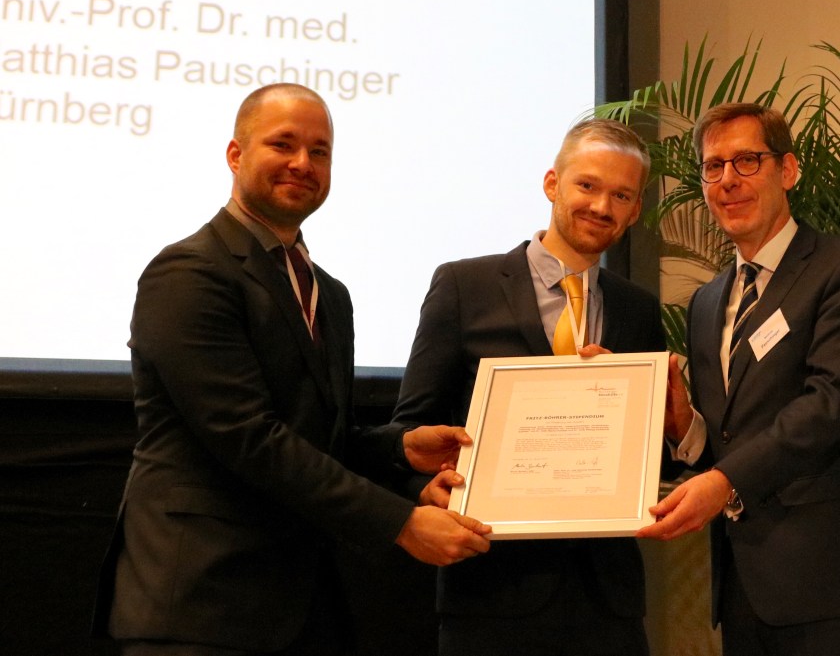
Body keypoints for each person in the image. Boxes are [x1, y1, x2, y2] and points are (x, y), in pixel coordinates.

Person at [93, 83, 491, 656]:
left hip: (299, 607)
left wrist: (402, 449)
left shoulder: (330, 294)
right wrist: (401, 522)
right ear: (236, 155)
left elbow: (317, 437)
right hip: (199, 605)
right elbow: (249, 437)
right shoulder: (188, 273)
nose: (303, 163)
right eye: (283, 144)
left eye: (319, 151)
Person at [391, 118, 667, 656]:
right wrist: (424, 490)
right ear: (552, 184)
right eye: (587, 185)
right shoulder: (463, 286)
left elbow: (652, 457)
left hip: (606, 604)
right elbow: (408, 430)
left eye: (621, 195)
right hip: (488, 594)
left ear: (635, 210)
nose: (601, 207)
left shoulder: (638, 310)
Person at [638, 102, 840, 655]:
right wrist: (684, 424)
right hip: (741, 590)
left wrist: (724, 482)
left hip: (823, 586)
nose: (728, 180)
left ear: (788, 170)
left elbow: (829, 403)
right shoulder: (707, 303)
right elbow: (724, 438)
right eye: (713, 166)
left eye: (747, 160)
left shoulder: (832, 269)